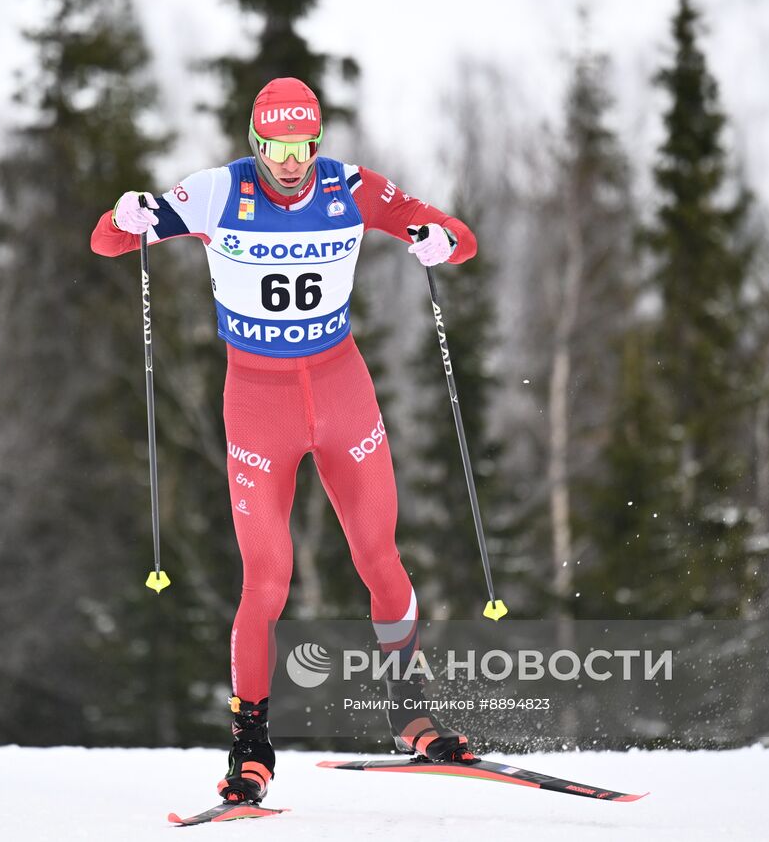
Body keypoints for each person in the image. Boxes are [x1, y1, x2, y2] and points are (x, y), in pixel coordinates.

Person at [90, 77, 479, 804]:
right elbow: (108, 240)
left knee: (381, 558)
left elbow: (459, 237)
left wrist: (438, 241)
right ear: (255, 142)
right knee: (266, 579)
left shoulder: (352, 188)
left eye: (302, 147)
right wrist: (128, 215)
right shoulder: (214, 194)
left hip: (341, 393)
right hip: (257, 406)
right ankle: (251, 747)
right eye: (274, 148)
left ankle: (410, 714)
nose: (289, 164)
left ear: (317, 143)